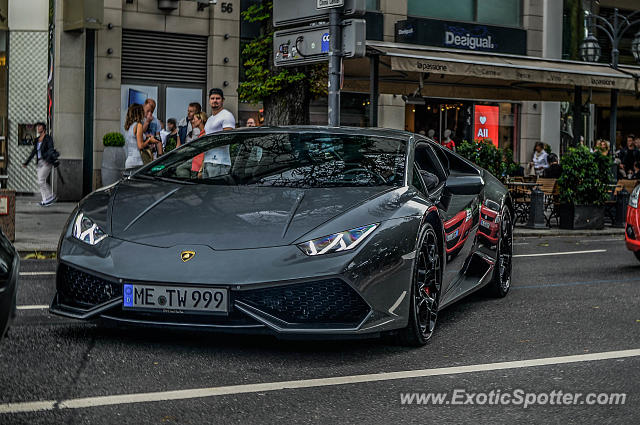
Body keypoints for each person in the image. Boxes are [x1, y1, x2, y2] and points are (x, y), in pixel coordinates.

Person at [202, 88, 236, 178]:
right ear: (209, 100)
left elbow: (227, 140)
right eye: (212, 98)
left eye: (218, 98)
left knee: (217, 192)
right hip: (207, 161)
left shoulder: (227, 116)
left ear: (223, 100)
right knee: (207, 191)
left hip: (220, 162)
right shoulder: (210, 119)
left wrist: (208, 142)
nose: (215, 101)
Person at [22, 122, 57, 206]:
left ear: (43, 128)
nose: (38, 128)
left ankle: (51, 196)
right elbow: (34, 152)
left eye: (39, 126)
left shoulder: (48, 138)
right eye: (37, 127)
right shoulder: (37, 139)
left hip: (46, 161)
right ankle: (45, 200)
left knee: (41, 180)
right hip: (39, 162)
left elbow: (51, 149)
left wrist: (48, 159)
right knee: (40, 181)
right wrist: (26, 162)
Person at [124, 103, 162, 169]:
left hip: (129, 161)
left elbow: (134, 140)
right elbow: (140, 146)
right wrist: (149, 140)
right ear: (139, 113)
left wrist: (146, 136)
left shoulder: (129, 126)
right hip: (138, 161)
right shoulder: (138, 125)